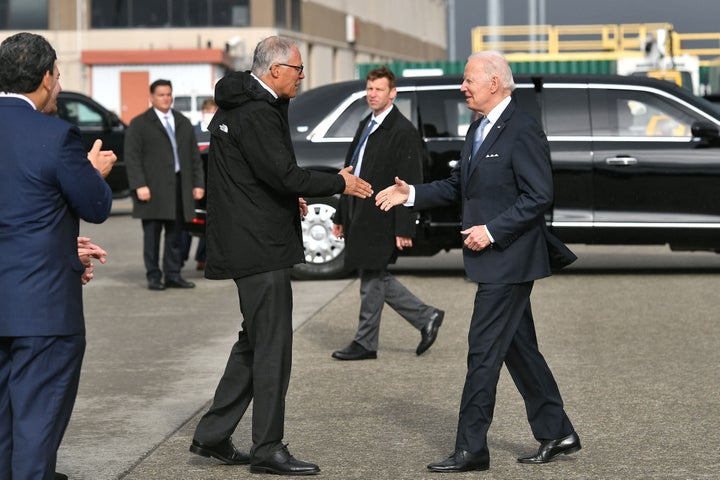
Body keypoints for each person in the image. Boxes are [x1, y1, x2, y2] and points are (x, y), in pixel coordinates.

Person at [376, 51, 580, 472]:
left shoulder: (521, 129)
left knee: (483, 351)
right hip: (495, 261)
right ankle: (557, 431)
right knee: (518, 349)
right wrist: (410, 193)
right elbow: (458, 187)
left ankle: (472, 448)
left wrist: (491, 230)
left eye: (469, 80)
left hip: (510, 259)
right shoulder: (478, 127)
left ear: (495, 83)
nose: (463, 87)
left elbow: (538, 196)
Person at [188, 36, 372, 476]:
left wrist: (288, 199)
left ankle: (213, 435)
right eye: (298, 68)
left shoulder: (251, 104)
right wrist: (337, 183)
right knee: (273, 349)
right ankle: (267, 447)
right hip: (257, 247)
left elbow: (260, 176)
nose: (302, 76)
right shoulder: (255, 112)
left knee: (254, 341)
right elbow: (283, 173)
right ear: (274, 71)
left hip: (252, 237)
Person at [0, 32, 115, 480]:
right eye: (60, 76)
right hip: (43, 308)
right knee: (35, 431)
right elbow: (97, 206)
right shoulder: (55, 134)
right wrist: (93, 171)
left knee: (5, 430)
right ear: (47, 78)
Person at [331, 66, 444, 361]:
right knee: (373, 275)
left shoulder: (403, 131)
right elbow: (349, 172)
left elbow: (410, 182)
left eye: (379, 89)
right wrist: (340, 215)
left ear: (392, 93)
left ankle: (366, 342)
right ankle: (425, 317)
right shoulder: (364, 125)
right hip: (360, 212)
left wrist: (404, 227)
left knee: (371, 275)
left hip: (382, 213)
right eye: (369, 89)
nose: (372, 94)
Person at [125, 79, 205, 290]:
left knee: (176, 233)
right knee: (152, 235)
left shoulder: (182, 122)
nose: (165, 98)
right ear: (151, 97)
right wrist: (139, 185)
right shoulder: (140, 124)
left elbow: (194, 156)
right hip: (152, 187)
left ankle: (173, 274)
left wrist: (198, 183)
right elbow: (132, 157)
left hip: (179, 184)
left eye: (168, 94)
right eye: (161, 95)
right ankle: (153, 276)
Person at [181, 98, 217, 271]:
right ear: (203, 112)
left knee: (208, 222)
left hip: (213, 184)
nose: (210, 114)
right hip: (194, 183)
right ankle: (180, 258)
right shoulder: (192, 131)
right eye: (208, 111)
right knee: (188, 220)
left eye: (213, 111)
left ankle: (203, 258)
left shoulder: (219, 131)